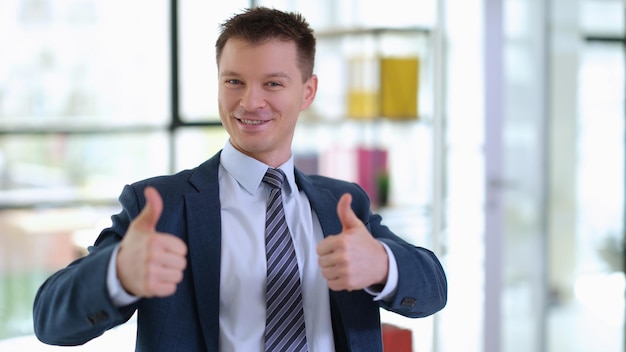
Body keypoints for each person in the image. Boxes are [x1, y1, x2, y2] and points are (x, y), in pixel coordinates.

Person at [33, 6, 447, 352]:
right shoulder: (160, 205)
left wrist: (381, 263)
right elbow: (50, 321)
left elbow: (433, 290)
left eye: (272, 83)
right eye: (234, 81)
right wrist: (117, 272)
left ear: (307, 91)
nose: (250, 102)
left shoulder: (344, 204)